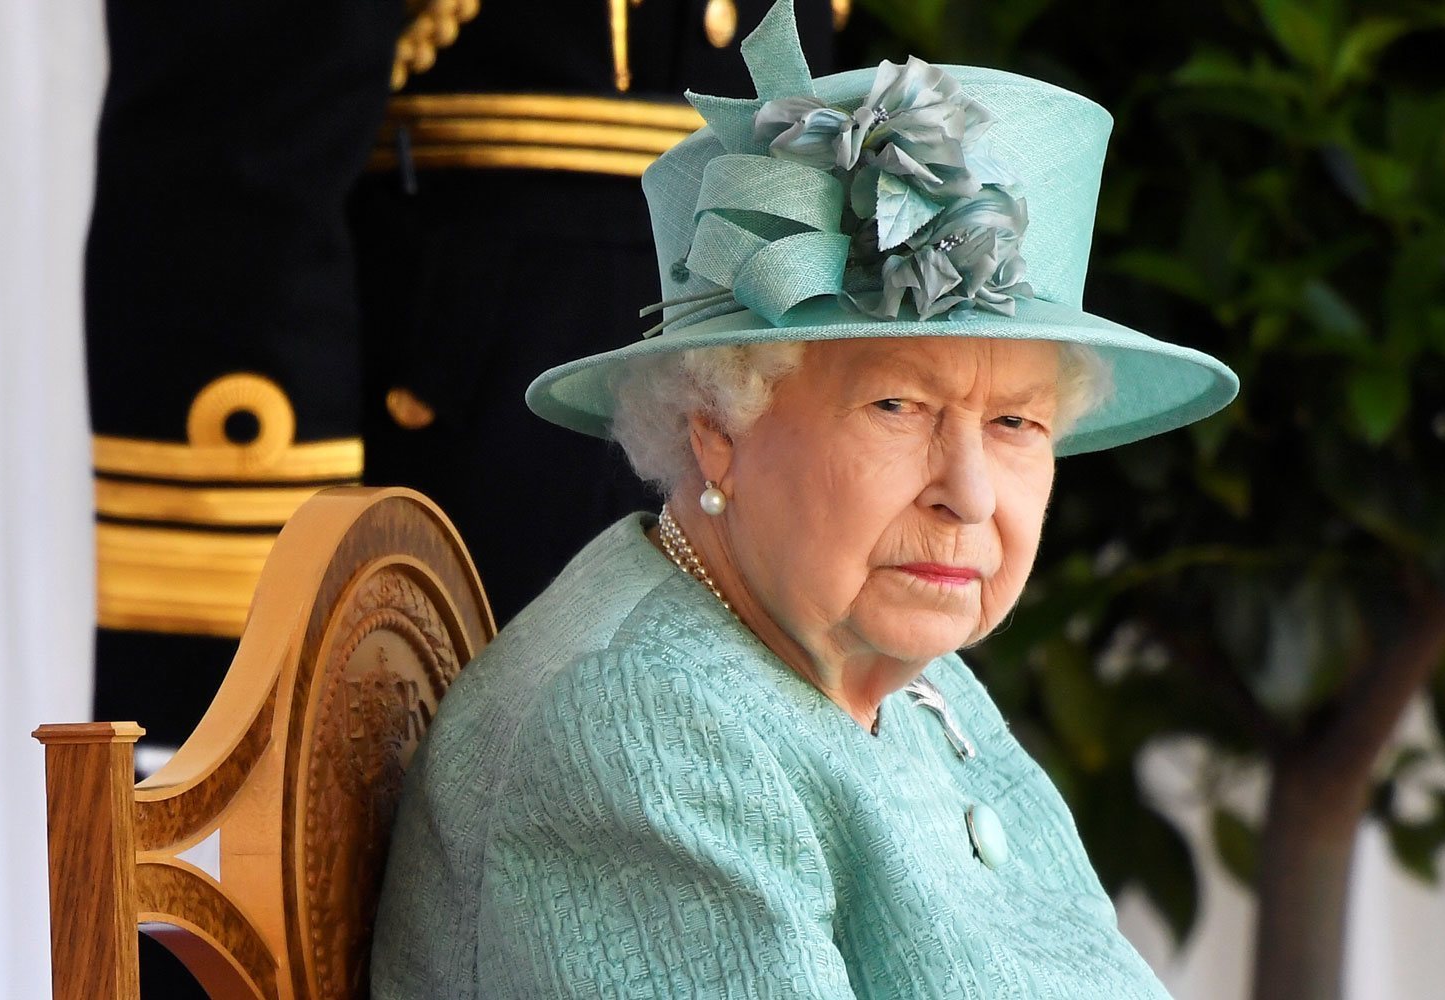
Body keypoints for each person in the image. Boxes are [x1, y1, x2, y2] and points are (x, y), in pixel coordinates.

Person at [368, 2, 1239, 996]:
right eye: (897, 405)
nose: (966, 493)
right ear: (717, 428)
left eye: (1016, 425)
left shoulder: (904, 669)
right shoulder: (641, 730)